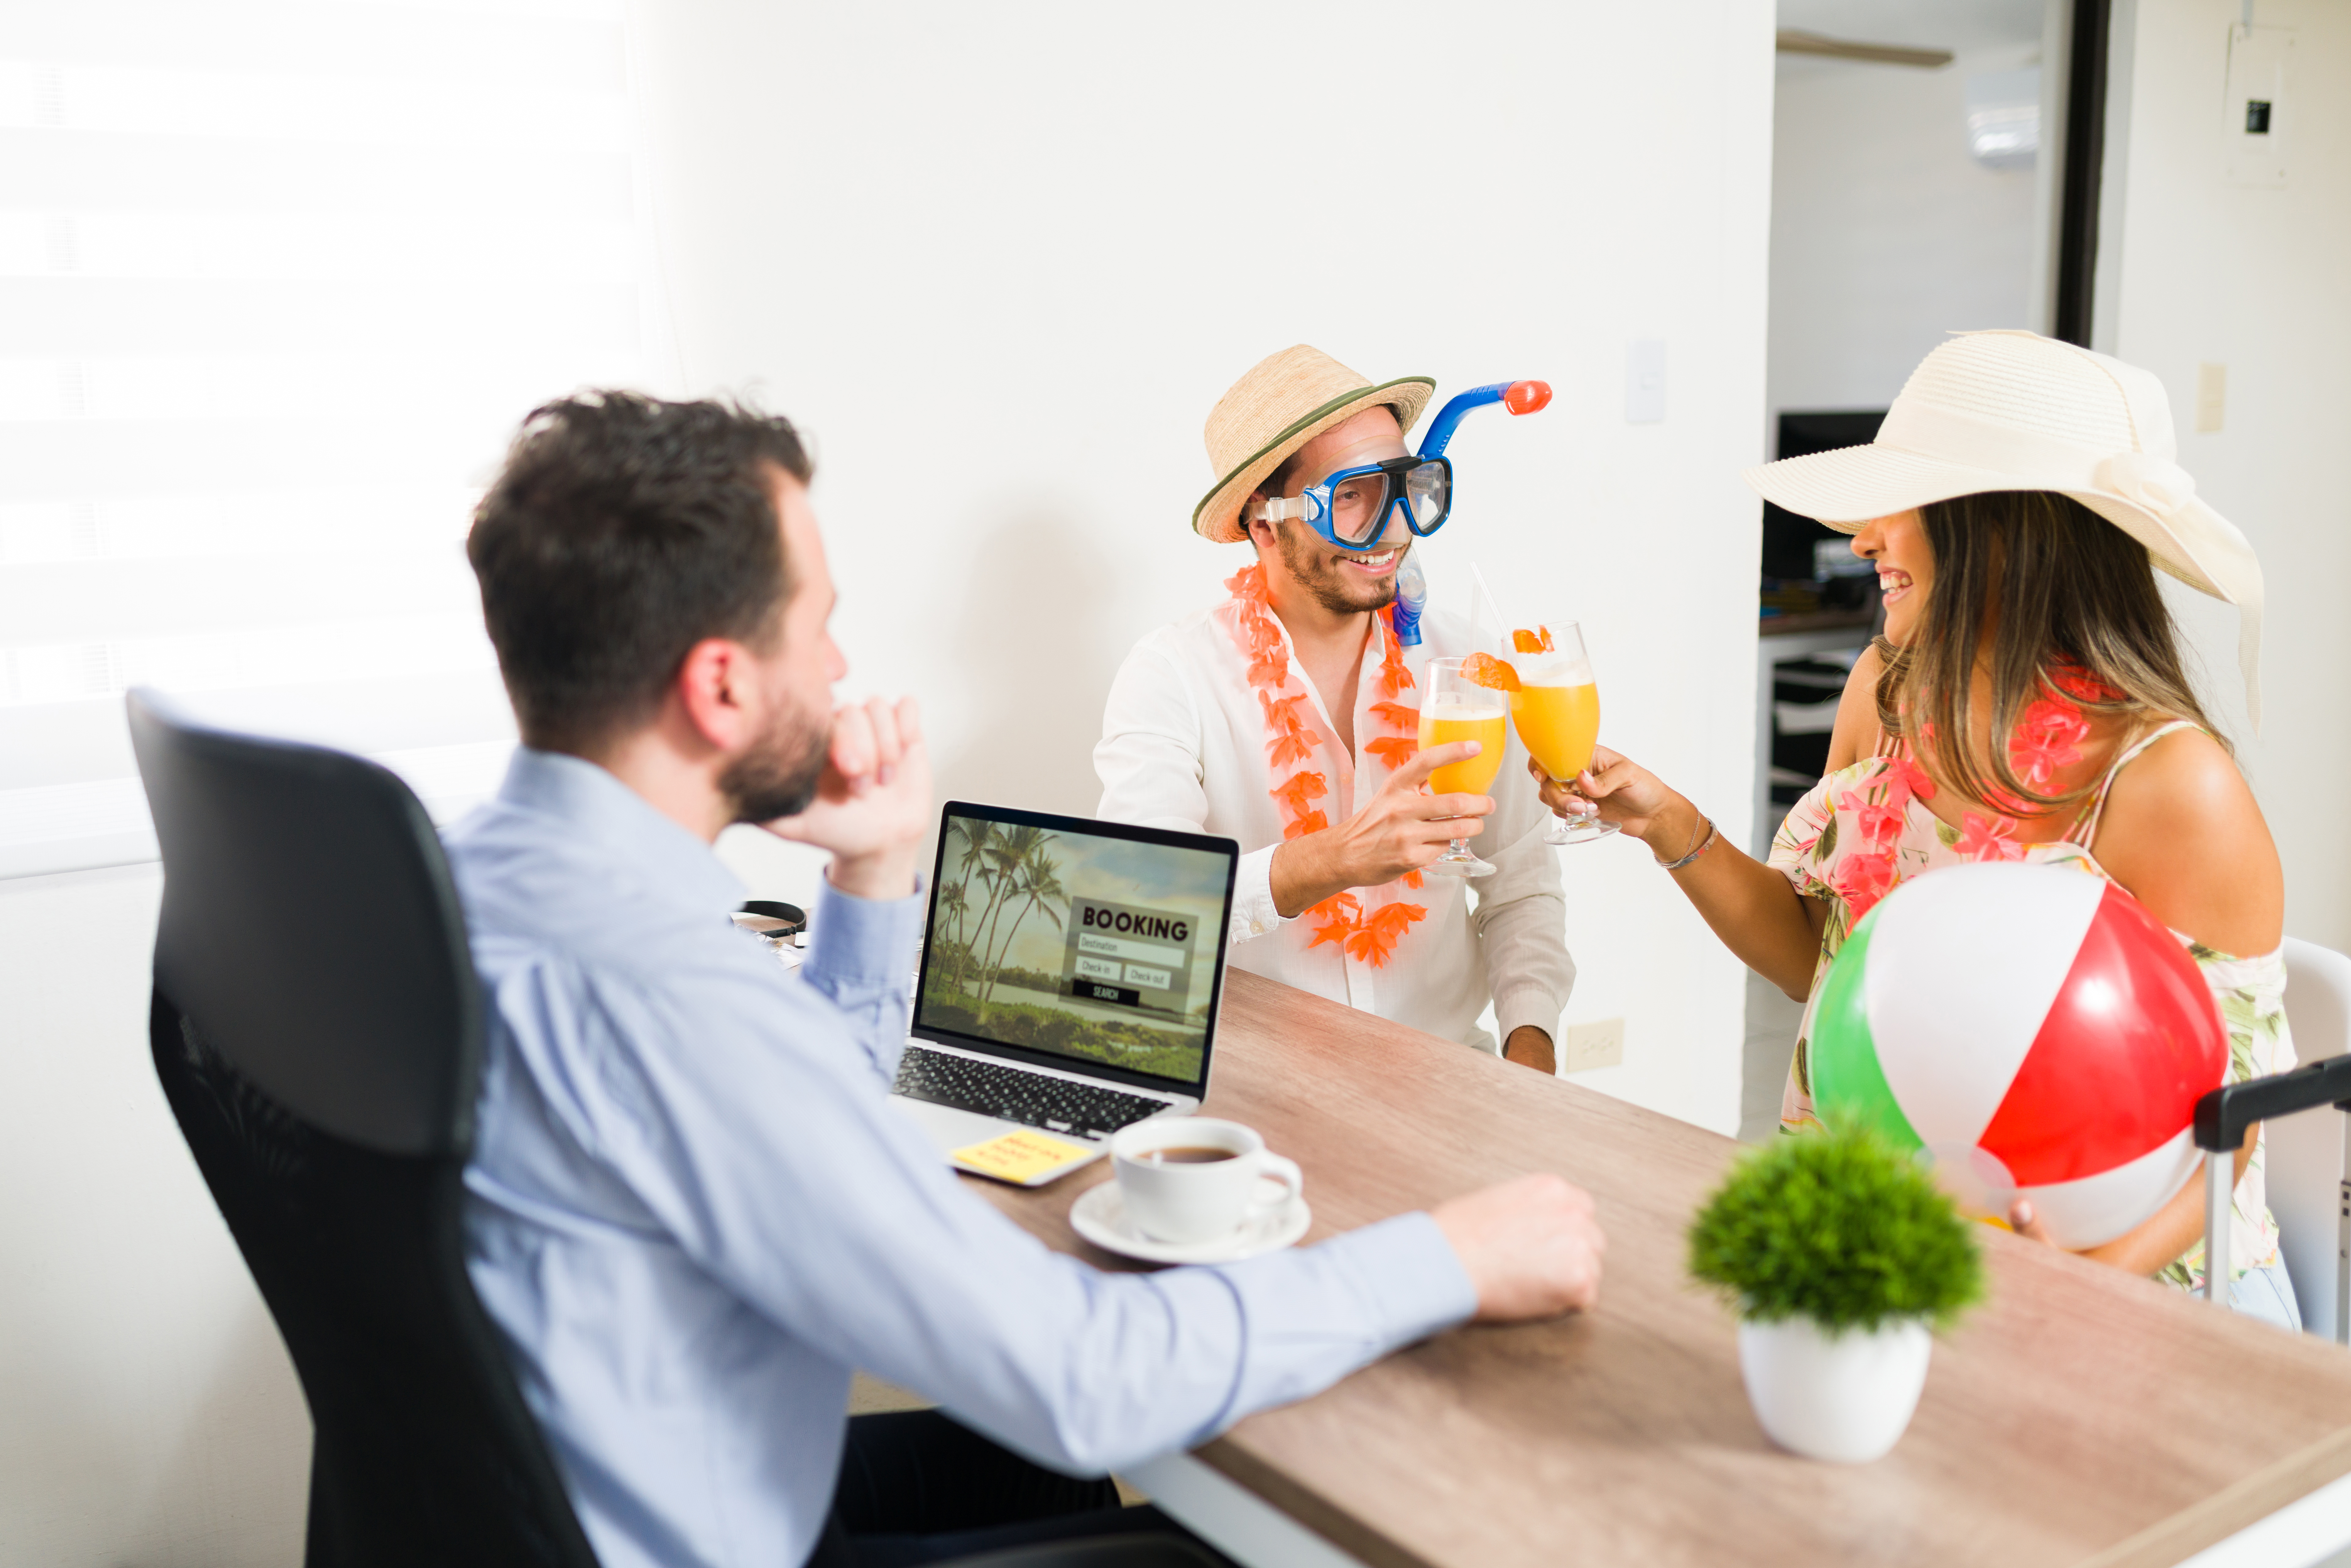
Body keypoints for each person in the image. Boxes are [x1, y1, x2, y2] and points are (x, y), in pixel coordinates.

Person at [449, 390, 1609, 1568]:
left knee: (1041, 1464)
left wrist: (875, 870)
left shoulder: (465, 886)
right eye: (818, 627)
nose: (842, 661)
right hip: (732, 1533)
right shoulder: (682, 997)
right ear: (721, 687)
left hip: (600, 1487)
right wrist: (1450, 1258)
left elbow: (820, 1094)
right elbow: (1088, 1374)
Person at [1536, 330, 2296, 1325]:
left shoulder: (2167, 782)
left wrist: (2059, 1288)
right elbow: (1823, 956)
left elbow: (2229, 1123)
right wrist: (1669, 825)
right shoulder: (1882, 696)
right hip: (1908, 1260)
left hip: (2142, 1287)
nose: (1859, 540)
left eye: (1898, 505)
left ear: (1999, 529)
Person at [1095, 345, 1574, 1071]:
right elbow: (1139, 912)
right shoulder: (1171, 677)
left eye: (1405, 486)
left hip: (1446, 1074)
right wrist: (1332, 859)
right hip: (1252, 1095)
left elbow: (1521, 888)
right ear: (1263, 523)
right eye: (1350, 494)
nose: (1389, 528)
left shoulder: (1467, 663)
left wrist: (1529, 1058)